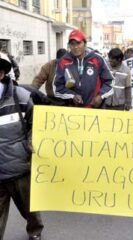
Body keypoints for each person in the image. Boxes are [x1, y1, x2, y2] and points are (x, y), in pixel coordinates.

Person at [0, 53, 43, 240]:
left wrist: (29, 144)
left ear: (1, 73)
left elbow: (38, 126)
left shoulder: (22, 97)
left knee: (30, 209)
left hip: (19, 168)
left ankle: (35, 231)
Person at [54, 29, 113, 107]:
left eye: (78, 43)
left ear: (85, 43)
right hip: (72, 111)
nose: (75, 47)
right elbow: (57, 87)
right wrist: (72, 96)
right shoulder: (63, 62)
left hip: (94, 109)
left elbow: (110, 82)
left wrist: (101, 96)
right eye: (72, 44)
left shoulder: (97, 59)